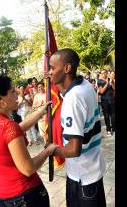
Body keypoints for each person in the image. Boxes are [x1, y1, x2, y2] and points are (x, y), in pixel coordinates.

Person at [0, 76, 58, 207]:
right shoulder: (8, 126)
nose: (18, 93)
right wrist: (48, 150)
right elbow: (28, 168)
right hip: (21, 195)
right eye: (12, 92)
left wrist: (40, 112)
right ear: (0, 98)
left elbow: (18, 129)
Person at [48, 48, 107, 207]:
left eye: (53, 68)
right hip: (92, 170)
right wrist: (56, 82)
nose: (49, 71)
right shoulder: (84, 84)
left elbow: (74, 149)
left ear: (66, 68)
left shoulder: (73, 99)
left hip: (83, 178)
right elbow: (68, 93)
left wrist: (52, 150)